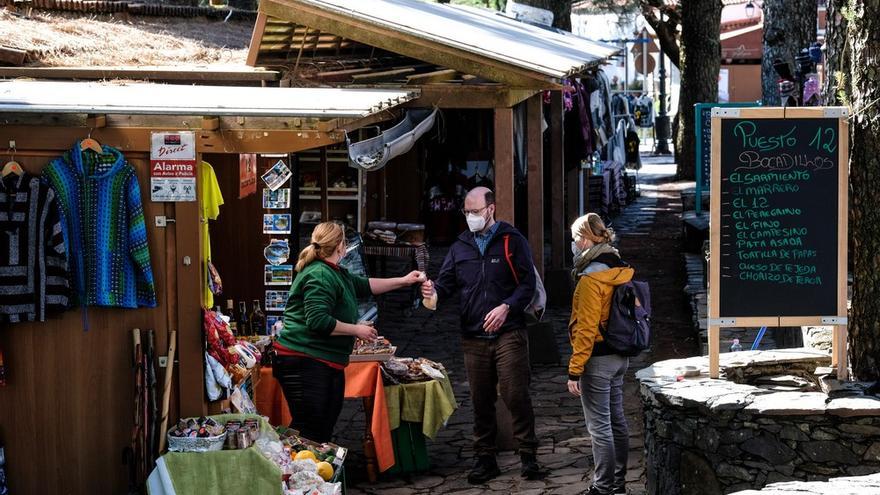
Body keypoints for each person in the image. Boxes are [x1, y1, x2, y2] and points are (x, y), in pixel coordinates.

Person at [421, 187, 547, 484]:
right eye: (466, 212)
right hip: (473, 336)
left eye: (475, 212)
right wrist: (432, 292)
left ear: (490, 209)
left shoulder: (512, 240)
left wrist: (507, 307)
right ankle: (485, 458)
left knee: (516, 394)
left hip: (509, 332)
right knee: (480, 399)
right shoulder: (460, 246)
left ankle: (528, 455)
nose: (470, 217)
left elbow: (527, 285)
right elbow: (447, 284)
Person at [273, 222, 424, 442]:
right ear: (340, 246)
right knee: (310, 428)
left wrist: (404, 281)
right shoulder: (320, 275)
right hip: (304, 360)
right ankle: (297, 471)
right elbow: (318, 321)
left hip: (323, 360)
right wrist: (357, 330)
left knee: (322, 425)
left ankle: (317, 471)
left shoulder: (335, 272)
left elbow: (365, 285)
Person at [567, 213, 633, 495]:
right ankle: (618, 485)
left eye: (573, 239)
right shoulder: (619, 266)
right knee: (617, 421)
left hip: (598, 358)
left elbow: (586, 328)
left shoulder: (591, 278)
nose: (573, 245)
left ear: (584, 239)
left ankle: (603, 487)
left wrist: (574, 369)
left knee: (600, 427)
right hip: (620, 355)